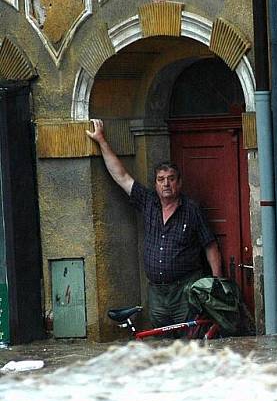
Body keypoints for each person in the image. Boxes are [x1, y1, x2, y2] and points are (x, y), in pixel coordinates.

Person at [85, 118, 222, 328]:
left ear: (179, 182)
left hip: (185, 290)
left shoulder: (191, 210)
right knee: (161, 343)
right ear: (155, 183)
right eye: (161, 179)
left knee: (190, 342)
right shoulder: (148, 202)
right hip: (157, 293)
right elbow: (121, 176)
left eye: (171, 178)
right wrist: (102, 141)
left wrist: (216, 283)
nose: (166, 183)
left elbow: (210, 246)